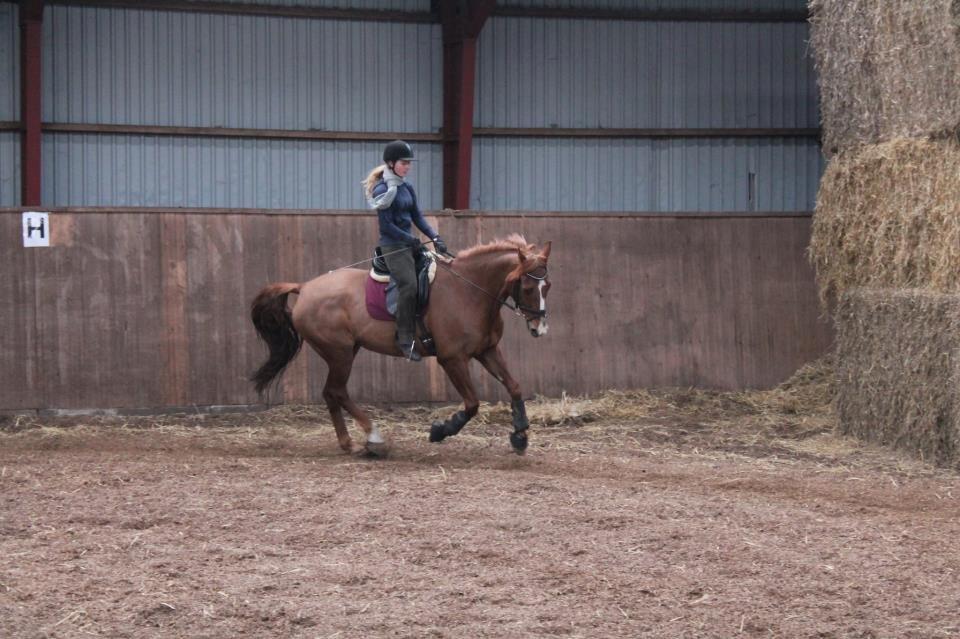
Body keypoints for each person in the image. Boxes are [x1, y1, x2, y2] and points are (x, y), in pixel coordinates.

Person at [362, 140, 448, 362]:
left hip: (410, 243)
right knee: (409, 285)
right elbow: (386, 226)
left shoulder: (406, 187)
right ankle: (404, 337)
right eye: (403, 163)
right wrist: (411, 239)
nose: (407, 167)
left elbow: (417, 216)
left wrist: (435, 237)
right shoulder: (383, 190)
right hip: (393, 246)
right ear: (391, 164)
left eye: (409, 163)